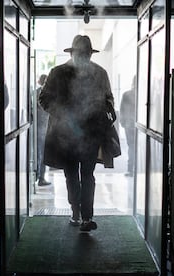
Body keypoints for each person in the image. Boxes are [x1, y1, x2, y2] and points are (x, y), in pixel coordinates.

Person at [39, 35, 115, 232]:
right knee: (76, 175)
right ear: (73, 54)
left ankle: (83, 216)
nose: (84, 57)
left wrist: (103, 110)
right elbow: (44, 99)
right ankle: (79, 214)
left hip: (88, 134)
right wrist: (64, 114)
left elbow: (109, 100)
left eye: (86, 54)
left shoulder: (97, 73)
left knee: (82, 175)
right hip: (67, 135)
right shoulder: (60, 73)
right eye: (81, 54)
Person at [35, 74, 51, 187]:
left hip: (43, 127)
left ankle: (40, 176)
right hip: (40, 127)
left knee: (41, 153)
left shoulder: (36, 92)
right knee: (41, 153)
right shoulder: (39, 93)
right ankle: (40, 177)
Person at [119, 76, 136, 176]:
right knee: (138, 147)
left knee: (131, 147)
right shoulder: (144, 94)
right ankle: (138, 168)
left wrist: (123, 122)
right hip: (139, 125)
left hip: (129, 125)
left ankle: (130, 169)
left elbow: (122, 109)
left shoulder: (126, 94)